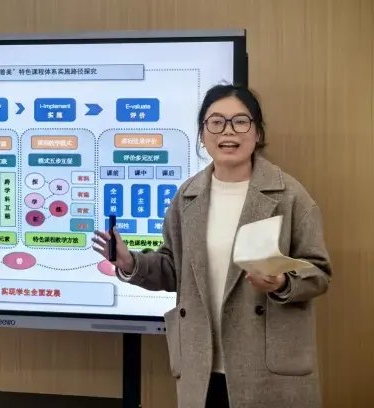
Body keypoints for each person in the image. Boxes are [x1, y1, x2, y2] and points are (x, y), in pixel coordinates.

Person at [92, 84, 332, 408]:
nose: (228, 131)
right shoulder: (187, 196)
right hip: (201, 368)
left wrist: (281, 283)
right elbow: (174, 269)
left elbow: (319, 273)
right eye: (216, 122)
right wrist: (130, 263)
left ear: (258, 133)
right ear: (202, 135)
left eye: (240, 121)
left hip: (266, 370)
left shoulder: (290, 196)